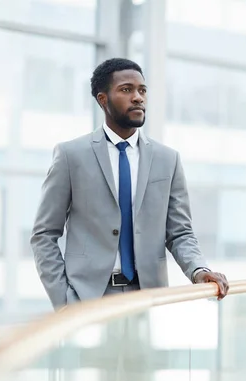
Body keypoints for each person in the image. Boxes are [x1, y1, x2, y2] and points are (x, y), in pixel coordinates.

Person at [31, 58, 228, 311]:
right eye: (126, 90)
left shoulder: (168, 159)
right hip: (87, 300)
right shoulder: (71, 156)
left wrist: (199, 270)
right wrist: (64, 301)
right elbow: (44, 235)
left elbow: (180, 233)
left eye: (142, 90)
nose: (138, 97)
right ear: (103, 99)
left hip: (148, 299)